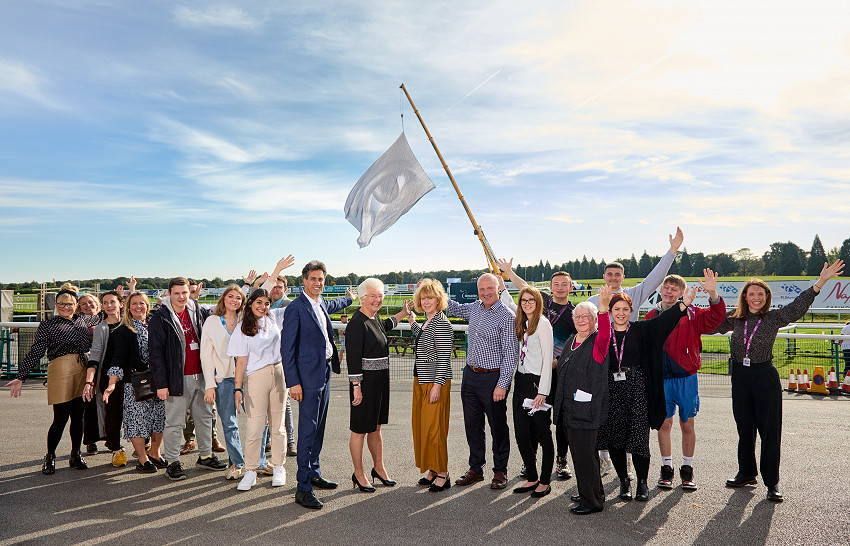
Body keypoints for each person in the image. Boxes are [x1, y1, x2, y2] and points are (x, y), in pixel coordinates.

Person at [712, 259, 844, 502]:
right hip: (740, 377)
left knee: (769, 431)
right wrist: (711, 296)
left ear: (766, 296)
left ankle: (772, 482)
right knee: (745, 428)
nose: (755, 298)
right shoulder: (735, 319)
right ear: (744, 297)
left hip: (764, 376)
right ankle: (746, 473)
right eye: (751, 294)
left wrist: (821, 282)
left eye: (760, 294)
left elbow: (797, 307)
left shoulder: (773, 318)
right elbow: (710, 324)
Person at [585, 227, 684, 475]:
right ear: (604, 276)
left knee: (632, 418)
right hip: (604, 363)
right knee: (607, 414)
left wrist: (672, 251)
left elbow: (655, 277)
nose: (613, 278)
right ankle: (605, 458)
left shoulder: (633, 294)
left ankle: (628, 463)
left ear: (623, 276)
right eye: (609, 274)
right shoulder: (592, 301)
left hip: (630, 364)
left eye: (617, 274)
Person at [598, 289, 692, 503]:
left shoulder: (642, 329)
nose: (621, 313)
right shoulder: (603, 332)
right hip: (611, 390)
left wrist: (682, 305)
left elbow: (663, 322)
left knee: (640, 438)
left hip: (638, 388)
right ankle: (623, 480)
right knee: (615, 439)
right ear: (610, 311)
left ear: (631, 311)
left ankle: (642, 482)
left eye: (625, 309)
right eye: (616, 309)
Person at [281, 260, 355, 509]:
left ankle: (314, 472)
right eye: (313, 279)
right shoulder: (296, 308)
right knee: (307, 430)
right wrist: (294, 382)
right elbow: (286, 348)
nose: (317, 283)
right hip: (306, 378)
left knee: (320, 427)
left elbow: (335, 304)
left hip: (324, 371)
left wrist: (350, 299)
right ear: (304, 280)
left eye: (321, 279)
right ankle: (303, 487)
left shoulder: (321, 302)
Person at [5, 287, 101, 474]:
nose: (66, 307)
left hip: (82, 369)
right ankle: (50, 456)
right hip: (60, 371)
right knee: (60, 417)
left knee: (78, 417)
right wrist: (21, 376)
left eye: (70, 304)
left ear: (76, 306)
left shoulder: (83, 319)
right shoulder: (48, 325)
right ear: (56, 306)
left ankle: (75, 454)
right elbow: (36, 351)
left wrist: (130, 290)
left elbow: (110, 310)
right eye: (62, 304)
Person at [644, 270, 725, 491]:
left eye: (674, 289)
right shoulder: (651, 315)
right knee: (664, 423)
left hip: (686, 377)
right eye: (666, 288)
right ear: (661, 290)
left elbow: (716, 319)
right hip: (661, 379)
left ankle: (687, 470)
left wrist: (714, 295)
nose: (669, 292)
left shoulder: (693, 314)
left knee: (687, 423)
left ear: (682, 292)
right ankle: (666, 469)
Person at [497, 259, 576, 480]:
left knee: (557, 421)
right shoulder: (542, 303)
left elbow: (577, 344)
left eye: (564, 284)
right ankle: (530, 461)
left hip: (557, 374)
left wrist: (558, 363)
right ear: (550, 287)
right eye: (556, 284)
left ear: (571, 287)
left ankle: (561, 460)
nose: (560, 287)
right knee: (530, 422)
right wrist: (509, 272)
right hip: (532, 375)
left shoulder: (573, 313)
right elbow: (524, 290)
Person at [148, 277, 227, 480]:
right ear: (169, 294)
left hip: (202, 375)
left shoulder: (199, 311)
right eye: (177, 293)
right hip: (177, 378)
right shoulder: (161, 318)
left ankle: (206, 456)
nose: (182, 297)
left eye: (185, 292)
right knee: (175, 423)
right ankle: (173, 462)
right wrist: (161, 384)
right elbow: (155, 354)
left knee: (205, 417)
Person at [446, 273, 518, 490]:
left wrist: (502, 384)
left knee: (497, 427)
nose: (486, 293)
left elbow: (510, 354)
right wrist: (434, 291)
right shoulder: (476, 308)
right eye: (481, 289)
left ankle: (500, 471)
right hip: (470, 375)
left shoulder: (506, 316)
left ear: (499, 288)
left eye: (490, 289)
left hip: (492, 378)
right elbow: (454, 308)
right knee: (472, 425)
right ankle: (476, 469)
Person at [344, 278, 411, 493]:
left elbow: (385, 326)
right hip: (363, 384)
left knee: (376, 427)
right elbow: (353, 358)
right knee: (359, 430)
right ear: (362, 298)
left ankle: (379, 469)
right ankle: (359, 472)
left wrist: (402, 313)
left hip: (381, 382)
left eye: (380, 295)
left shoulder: (374, 317)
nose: (378, 300)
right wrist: (356, 386)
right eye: (373, 296)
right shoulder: (356, 323)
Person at [554, 288, 612, 515]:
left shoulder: (598, 341)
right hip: (570, 408)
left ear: (594, 320)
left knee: (585, 456)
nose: (580, 320)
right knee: (582, 455)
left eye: (586, 317)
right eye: (577, 317)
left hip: (587, 409)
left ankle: (592, 502)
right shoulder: (571, 340)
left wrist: (605, 308)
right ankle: (590, 490)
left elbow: (607, 333)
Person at [229, 288, 292, 491]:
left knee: (278, 425)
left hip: (279, 374)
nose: (263, 307)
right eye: (259, 303)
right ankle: (250, 471)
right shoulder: (242, 328)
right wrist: (237, 389)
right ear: (250, 303)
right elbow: (240, 362)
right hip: (255, 377)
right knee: (255, 427)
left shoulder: (273, 316)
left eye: (266, 303)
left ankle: (279, 467)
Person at [103, 292, 166, 473]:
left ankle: (155, 452)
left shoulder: (155, 325)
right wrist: (112, 383)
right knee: (137, 421)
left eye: (142, 303)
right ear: (128, 308)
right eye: (134, 304)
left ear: (147, 305)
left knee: (158, 419)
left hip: (158, 381)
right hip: (135, 382)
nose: (138, 307)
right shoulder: (123, 330)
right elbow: (118, 358)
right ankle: (142, 457)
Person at [503, 286, 555, 498]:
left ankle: (544, 481)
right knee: (522, 434)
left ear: (538, 302)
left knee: (543, 434)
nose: (526, 303)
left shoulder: (543, 325)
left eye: (530, 300)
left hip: (537, 385)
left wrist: (542, 392)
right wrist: (501, 283)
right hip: (521, 381)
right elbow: (507, 302)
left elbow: (546, 362)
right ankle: (531, 477)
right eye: (523, 300)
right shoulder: (521, 323)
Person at [407, 279, 454, 492]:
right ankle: (432, 469)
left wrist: (437, 385)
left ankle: (443, 472)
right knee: (423, 427)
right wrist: (412, 322)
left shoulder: (442, 323)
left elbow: (444, 358)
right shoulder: (429, 321)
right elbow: (425, 339)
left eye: (430, 298)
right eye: (423, 298)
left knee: (435, 429)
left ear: (438, 300)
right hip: (421, 379)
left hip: (435, 382)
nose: (426, 302)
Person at [200, 284, 247, 481]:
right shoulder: (211, 321)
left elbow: (264, 299)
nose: (234, 300)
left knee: (261, 421)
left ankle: (259, 461)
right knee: (230, 424)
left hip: (248, 377)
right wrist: (210, 384)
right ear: (223, 299)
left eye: (238, 297)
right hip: (224, 380)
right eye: (230, 296)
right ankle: (237, 463)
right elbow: (206, 355)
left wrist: (277, 270)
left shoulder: (246, 319)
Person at [83, 288, 132, 468]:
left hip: (131, 376)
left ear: (120, 303)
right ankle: (116, 449)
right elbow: (95, 356)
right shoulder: (101, 328)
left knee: (136, 412)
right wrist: (89, 381)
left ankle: (142, 445)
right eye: (105, 303)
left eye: (112, 302)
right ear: (101, 307)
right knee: (113, 415)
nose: (109, 306)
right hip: (109, 377)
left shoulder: (130, 323)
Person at [76, 291, 104, 456]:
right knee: (89, 404)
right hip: (86, 365)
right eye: (83, 304)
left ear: (97, 303)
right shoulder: (77, 321)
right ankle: (90, 440)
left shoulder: (105, 316)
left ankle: (109, 438)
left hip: (105, 364)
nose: (88, 306)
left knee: (107, 403)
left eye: (91, 302)